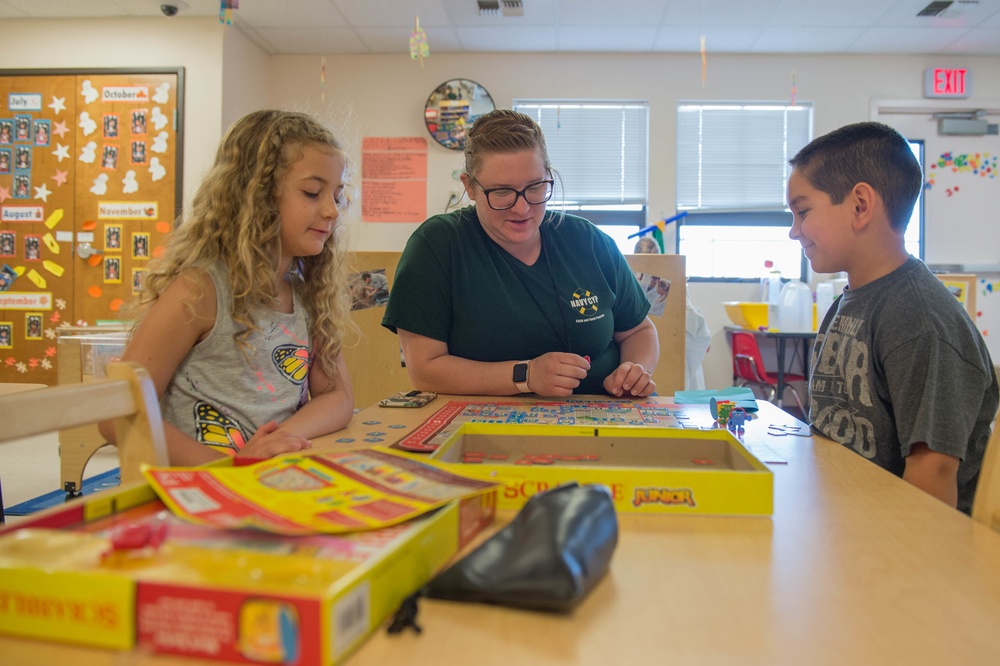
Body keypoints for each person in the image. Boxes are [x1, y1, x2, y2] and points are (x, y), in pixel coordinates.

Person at [100, 110, 355, 465]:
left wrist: (278, 440)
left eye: (338, 195)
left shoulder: (309, 293)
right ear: (257, 195)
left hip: (264, 477)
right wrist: (228, 469)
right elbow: (117, 416)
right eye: (312, 192)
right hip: (196, 490)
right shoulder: (199, 290)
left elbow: (338, 397)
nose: (332, 211)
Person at [788, 121, 998, 514]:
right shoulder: (849, 301)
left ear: (860, 205)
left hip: (902, 548)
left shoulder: (922, 320)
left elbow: (932, 475)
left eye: (802, 212)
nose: (794, 232)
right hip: (844, 518)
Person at [383, 109, 659, 398]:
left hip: (599, 419)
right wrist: (525, 375)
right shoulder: (437, 245)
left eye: (535, 187)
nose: (521, 208)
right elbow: (424, 369)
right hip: (483, 428)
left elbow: (638, 331)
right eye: (502, 192)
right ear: (470, 187)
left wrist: (635, 371)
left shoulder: (589, 241)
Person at [633, 235, 711, 390]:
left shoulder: (626, 281)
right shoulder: (676, 283)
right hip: (674, 361)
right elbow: (702, 338)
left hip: (639, 360)